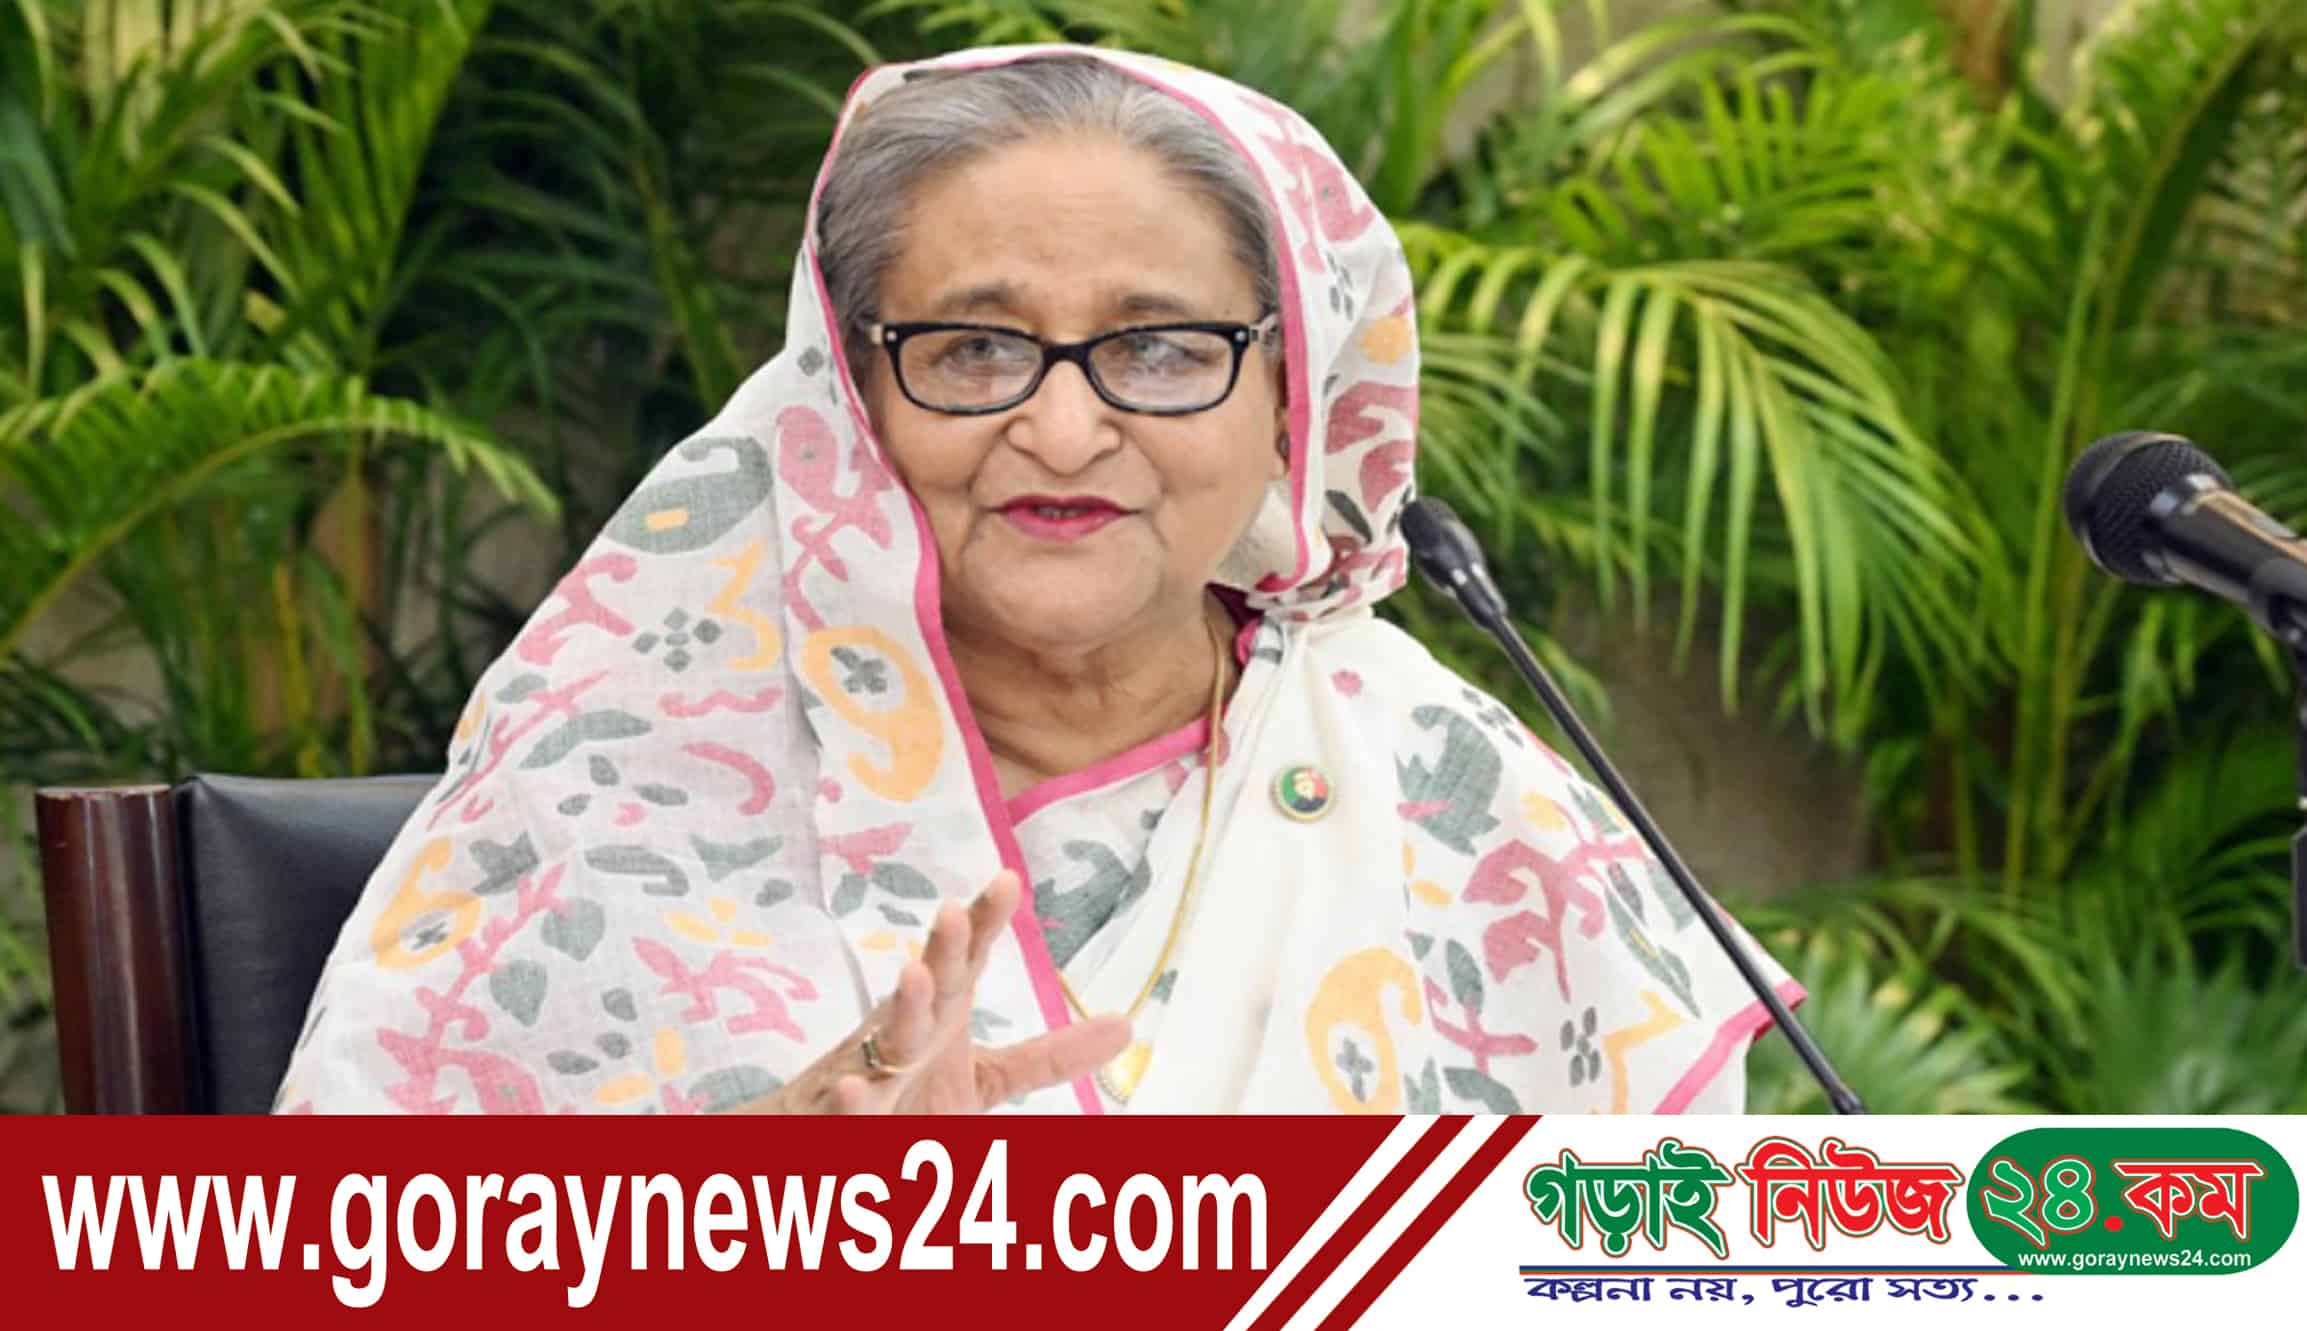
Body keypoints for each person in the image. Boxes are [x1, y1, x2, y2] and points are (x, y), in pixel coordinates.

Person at [274, 43, 1800, 1116]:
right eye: (972, 348)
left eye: (1163, 348)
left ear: (1293, 398)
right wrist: (749, 1213)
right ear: (848, 397)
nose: (1064, 432)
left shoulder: (1463, 800)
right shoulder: (609, 792)